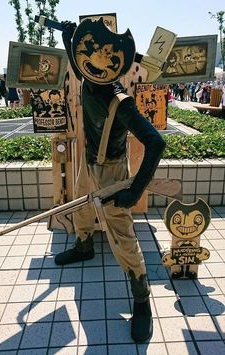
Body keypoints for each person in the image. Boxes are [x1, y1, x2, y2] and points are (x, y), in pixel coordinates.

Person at [54, 19, 166, 343]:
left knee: (123, 238)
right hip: (87, 162)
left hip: (112, 172)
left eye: (96, 56)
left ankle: (142, 298)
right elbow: (79, 67)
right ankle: (84, 244)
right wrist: (67, 38)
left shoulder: (121, 101)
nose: (86, 61)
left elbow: (156, 143)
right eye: (84, 53)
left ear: (113, 64)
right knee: (81, 208)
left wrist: (135, 188)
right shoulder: (90, 79)